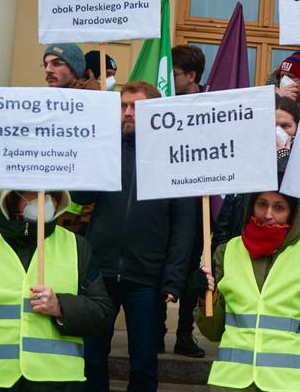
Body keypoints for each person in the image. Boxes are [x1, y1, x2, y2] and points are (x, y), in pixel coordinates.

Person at [73, 81, 197, 392]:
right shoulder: (106, 150)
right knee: (91, 359)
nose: (128, 113)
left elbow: (184, 226)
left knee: (143, 363)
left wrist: (173, 278)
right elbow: (80, 194)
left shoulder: (173, 158)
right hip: (99, 274)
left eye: (135, 107)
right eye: (123, 106)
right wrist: (98, 153)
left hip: (148, 278)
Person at [193, 169, 300, 392]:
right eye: (261, 204)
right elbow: (212, 332)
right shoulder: (225, 252)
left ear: (293, 213)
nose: (268, 214)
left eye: (279, 207)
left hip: (291, 384)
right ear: (251, 206)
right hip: (231, 382)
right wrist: (203, 295)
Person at [0, 190, 114, 391]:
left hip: (55, 384)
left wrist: (61, 307)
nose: (47, 199)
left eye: (52, 194)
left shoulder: (78, 247)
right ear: (13, 198)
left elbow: (102, 314)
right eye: (37, 192)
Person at [211, 97, 300, 250]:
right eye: (272, 125)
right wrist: (219, 256)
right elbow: (225, 220)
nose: (278, 131)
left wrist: (283, 156)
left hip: (289, 254)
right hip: (244, 252)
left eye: (285, 126)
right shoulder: (247, 163)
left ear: (297, 128)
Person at [164, 44, 208, 358]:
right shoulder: (160, 103)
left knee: (192, 268)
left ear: (191, 76)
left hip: (196, 201)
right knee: (158, 264)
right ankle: (155, 329)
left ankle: (184, 333)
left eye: (175, 73)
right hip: (163, 199)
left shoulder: (212, 103)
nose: (170, 78)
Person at [43, 44, 100, 234]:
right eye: (46, 64)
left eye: (57, 63)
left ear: (75, 69)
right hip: (46, 205)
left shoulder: (96, 107)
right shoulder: (42, 104)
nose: (48, 69)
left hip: (78, 215)